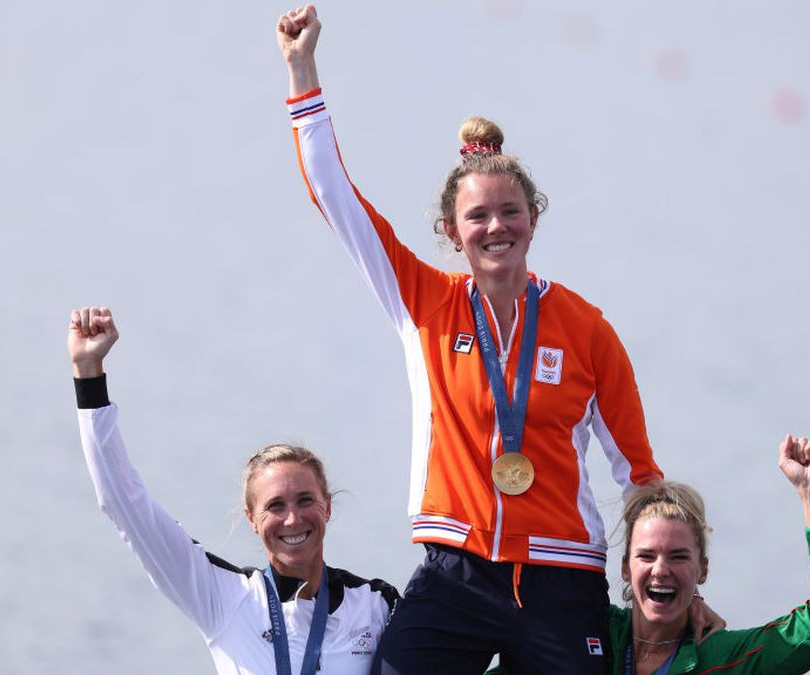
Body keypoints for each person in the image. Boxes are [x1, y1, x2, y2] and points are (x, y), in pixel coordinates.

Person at [276, 7, 718, 673]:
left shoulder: (587, 327)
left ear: (533, 220)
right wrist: (302, 71)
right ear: (453, 233)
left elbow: (639, 477)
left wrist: (680, 593)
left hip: (562, 581)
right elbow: (334, 197)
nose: (495, 227)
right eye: (476, 216)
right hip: (456, 576)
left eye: (510, 211)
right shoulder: (421, 302)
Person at [69, 306, 398, 674]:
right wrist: (88, 373)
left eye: (305, 500)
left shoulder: (374, 605)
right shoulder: (222, 597)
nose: (292, 518)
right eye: (275, 506)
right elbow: (124, 503)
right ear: (252, 519)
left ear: (327, 507)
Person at [609, 435, 810, 674]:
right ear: (624, 567)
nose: (661, 569)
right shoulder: (596, 630)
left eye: (679, 557)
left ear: (703, 570)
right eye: (646, 556)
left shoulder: (726, 658)